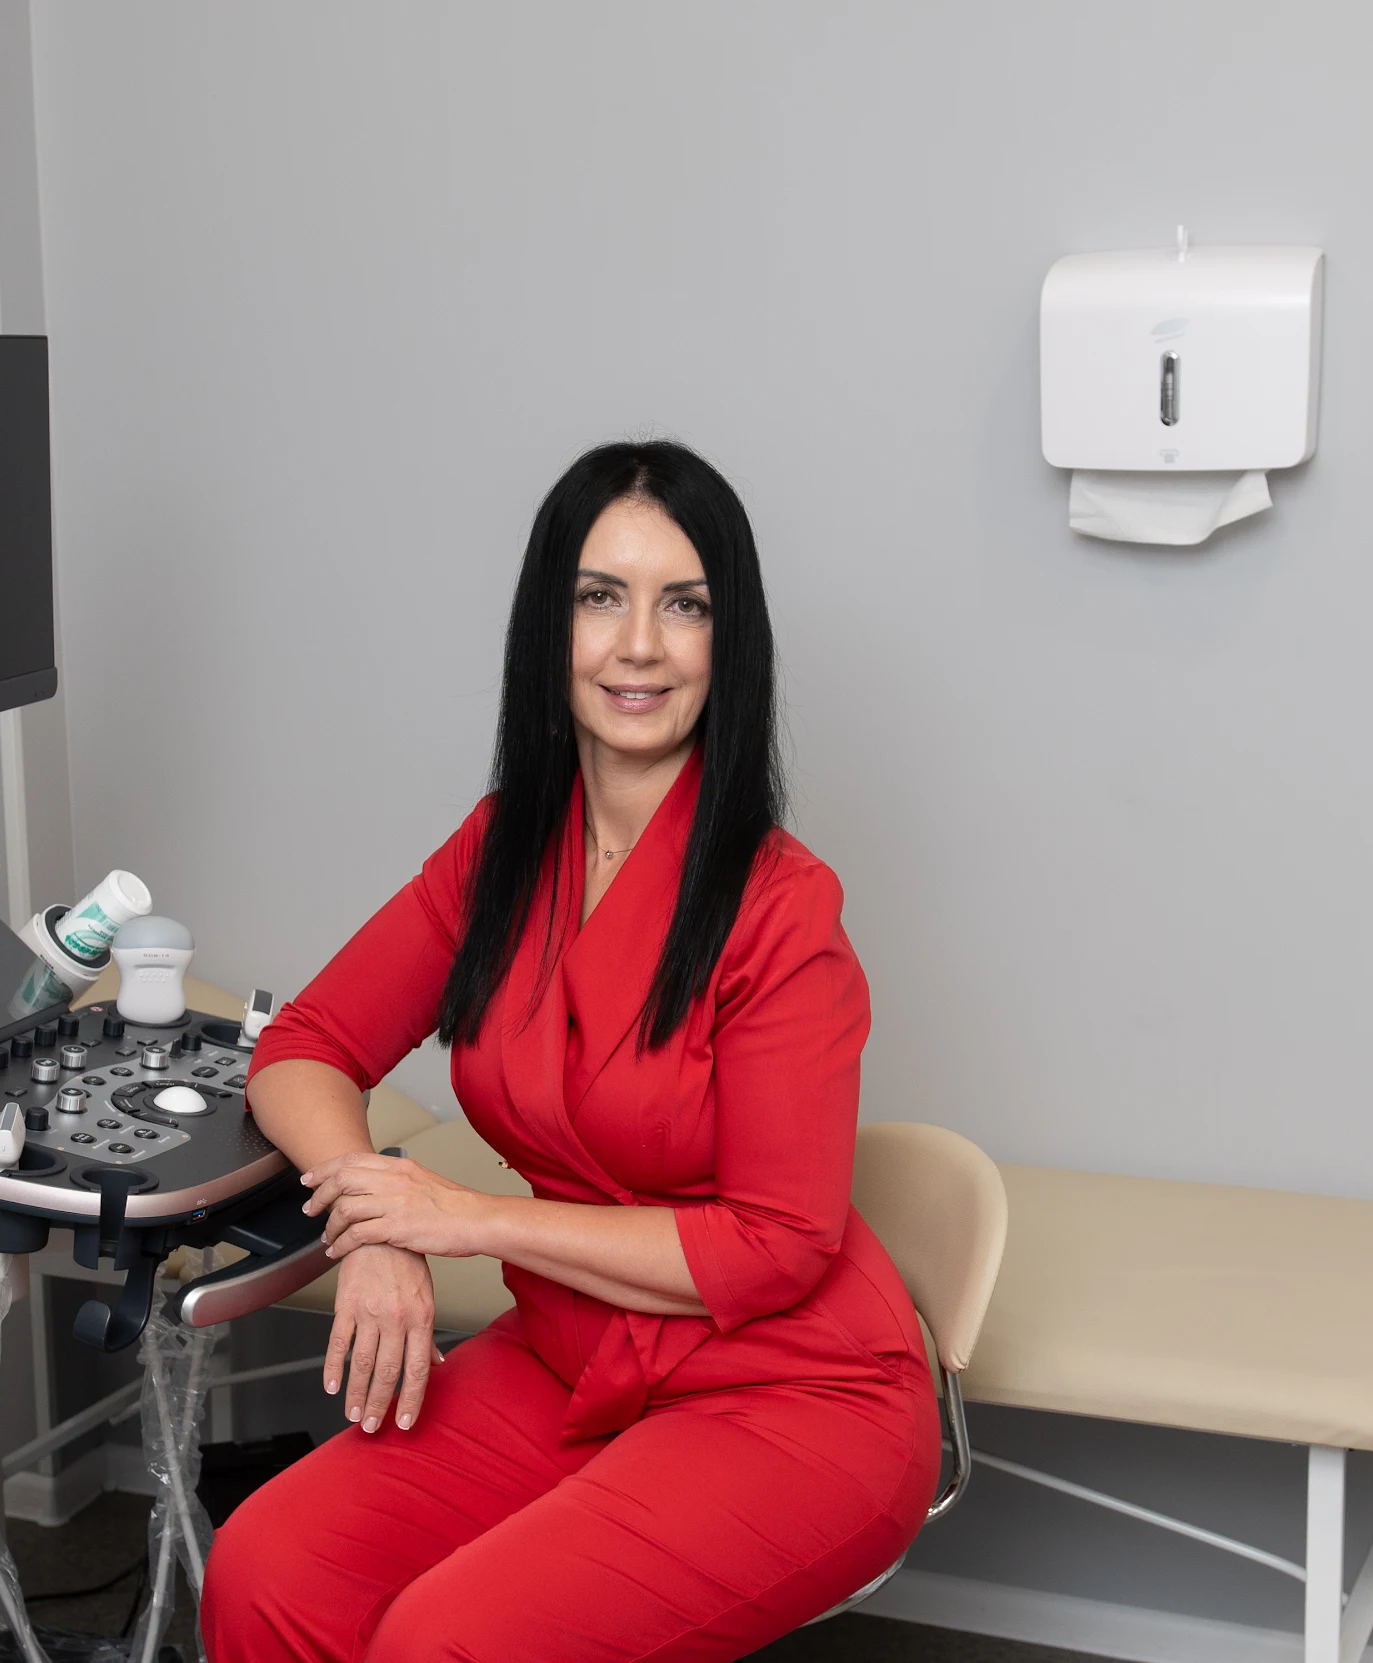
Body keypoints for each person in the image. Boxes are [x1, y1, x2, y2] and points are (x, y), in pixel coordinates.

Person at [201, 440, 937, 1662]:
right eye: (601, 597)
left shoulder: (780, 907)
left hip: (792, 1391)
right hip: (575, 1355)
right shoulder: (504, 850)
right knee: (267, 1569)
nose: (638, 645)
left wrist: (466, 1221)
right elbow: (305, 1046)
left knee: (444, 1642)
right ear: (551, 624)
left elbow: (774, 1244)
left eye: (683, 605)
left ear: (729, 643)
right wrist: (374, 1222)